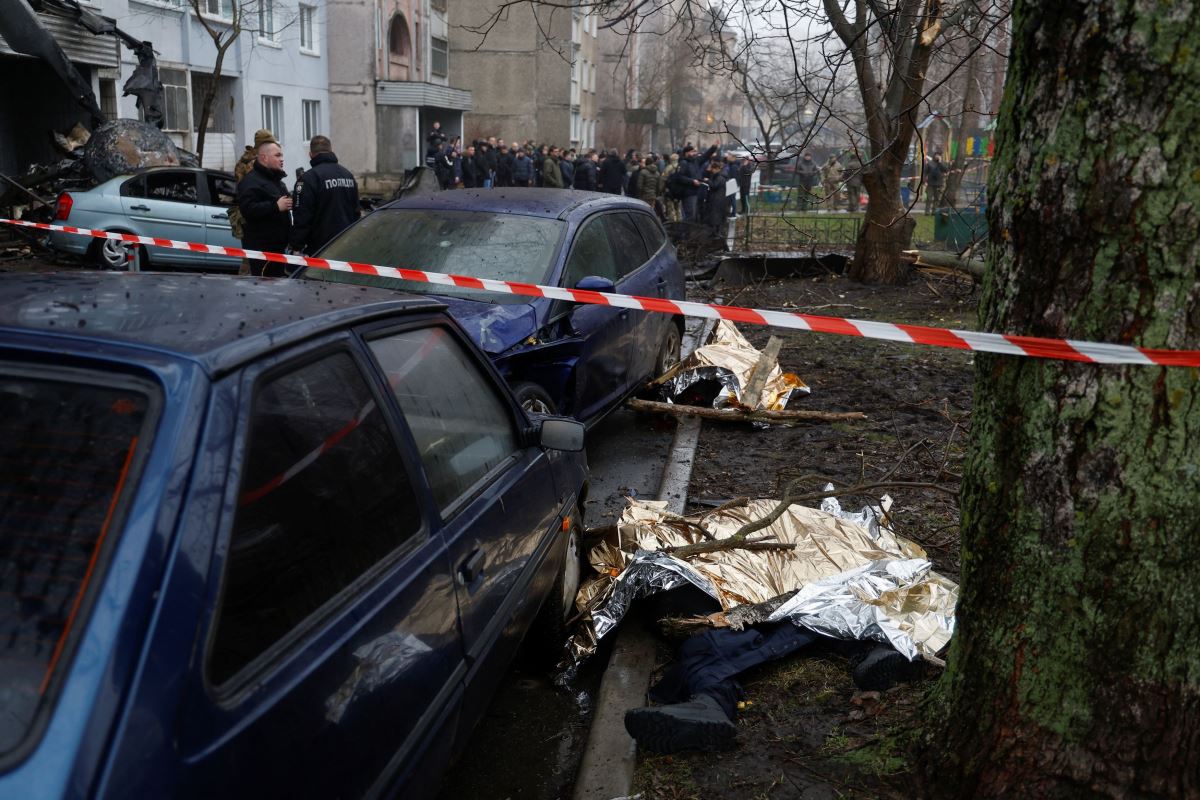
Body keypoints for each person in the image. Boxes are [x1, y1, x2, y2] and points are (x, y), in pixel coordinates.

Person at [288, 135, 359, 255]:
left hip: (321, 249)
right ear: (331, 151)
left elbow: (302, 216)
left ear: (310, 154)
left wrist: (296, 246)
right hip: (346, 244)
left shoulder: (307, 179)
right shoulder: (348, 175)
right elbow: (356, 212)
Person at [236, 140, 292, 277]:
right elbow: (248, 209)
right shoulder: (250, 181)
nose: (282, 159)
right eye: (277, 156)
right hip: (262, 251)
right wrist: (275, 206)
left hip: (278, 248)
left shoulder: (276, 180)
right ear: (264, 158)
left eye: (281, 155)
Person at [231, 128, 277, 275]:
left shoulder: (243, 162)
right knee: (253, 259)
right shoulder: (254, 164)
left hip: (249, 213)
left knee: (251, 257)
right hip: (254, 215)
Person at [674, 142, 719, 221]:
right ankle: (685, 232)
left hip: (696, 191)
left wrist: (713, 147)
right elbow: (679, 177)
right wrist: (692, 181)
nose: (695, 153)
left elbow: (705, 156)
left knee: (694, 215)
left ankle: (690, 231)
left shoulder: (695, 161)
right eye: (692, 151)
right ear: (687, 153)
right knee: (690, 215)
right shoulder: (683, 163)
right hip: (688, 193)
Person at [701, 158, 729, 236]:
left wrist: (708, 181)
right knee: (716, 216)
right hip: (717, 199)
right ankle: (716, 232)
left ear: (716, 169)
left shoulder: (720, 177)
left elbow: (714, 185)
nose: (711, 171)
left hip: (717, 199)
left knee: (716, 216)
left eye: (712, 169)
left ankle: (717, 232)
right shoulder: (718, 175)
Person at [661, 153, 681, 222]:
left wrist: (662, 190)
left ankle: (673, 224)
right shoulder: (681, 167)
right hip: (679, 191)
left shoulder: (669, 168)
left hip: (670, 190)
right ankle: (680, 223)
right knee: (678, 208)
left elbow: (663, 179)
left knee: (670, 208)